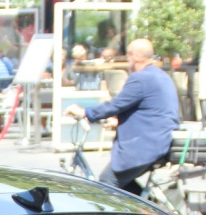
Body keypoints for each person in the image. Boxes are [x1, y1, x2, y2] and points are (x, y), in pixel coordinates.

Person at [63, 38, 180, 196]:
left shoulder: (141, 78)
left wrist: (85, 112)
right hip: (160, 140)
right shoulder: (161, 76)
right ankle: (149, 209)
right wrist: (119, 121)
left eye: (128, 56)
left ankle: (146, 213)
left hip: (145, 145)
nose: (127, 61)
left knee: (107, 182)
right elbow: (148, 110)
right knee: (124, 186)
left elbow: (116, 105)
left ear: (136, 57)